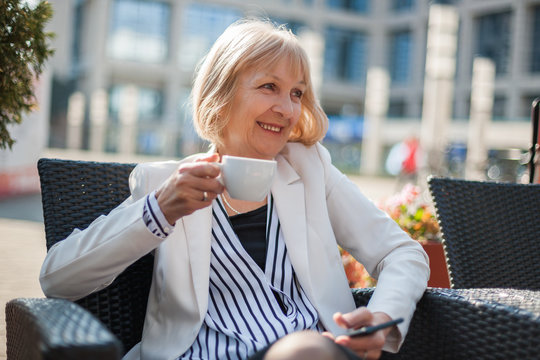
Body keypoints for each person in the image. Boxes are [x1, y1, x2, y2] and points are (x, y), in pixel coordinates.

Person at [40, 19, 429, 360]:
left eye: (296, 93)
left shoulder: (310, 168)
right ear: (221, 96)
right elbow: (58, 279)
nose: (288, 109)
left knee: (306, 351)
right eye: (269, 87)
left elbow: (402, 252)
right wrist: (158, 212)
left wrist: (381, 317)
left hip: (313, 350)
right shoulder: (162, 185)